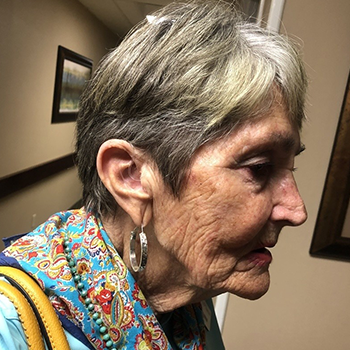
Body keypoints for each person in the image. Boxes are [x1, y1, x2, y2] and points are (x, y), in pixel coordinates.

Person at [0, 0, 308, 349]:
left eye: (290, 165)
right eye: (259, 168)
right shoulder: (11, 327)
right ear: (131, 176)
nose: (296, 210)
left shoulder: (190, 304)